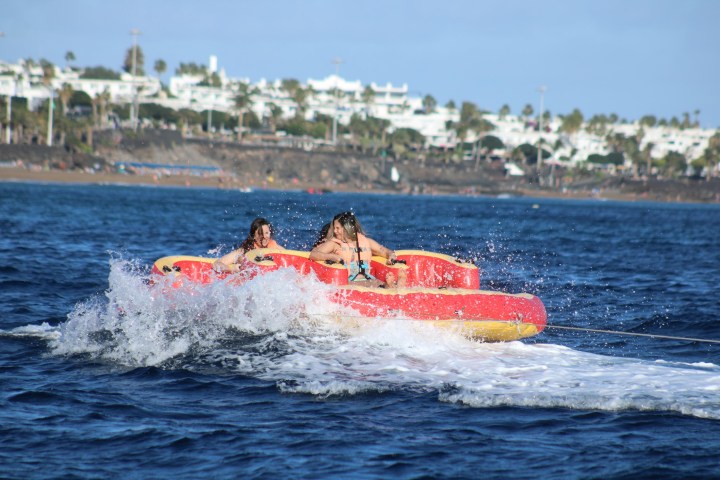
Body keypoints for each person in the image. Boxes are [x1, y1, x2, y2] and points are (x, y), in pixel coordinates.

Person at [309, 211, 406, 288]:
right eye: (334, 228)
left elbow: (384, 251)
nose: (335, 231)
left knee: (379, 284)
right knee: (378, 287)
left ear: (347, 228)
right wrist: (332, 256)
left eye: (337, 228)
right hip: (349, 283)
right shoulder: (334, 244)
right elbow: (313, 254)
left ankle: (393, 286)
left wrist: (391, 256)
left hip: (368, 280)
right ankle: (392, 287)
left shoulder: (367, 241)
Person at [214, 217, 283, 273]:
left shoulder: (275, 247)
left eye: (267, 233)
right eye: (260, 234)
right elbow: (217, 263)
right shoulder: (243, 251)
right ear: (254, 236)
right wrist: (231, 269)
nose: (264, 237)